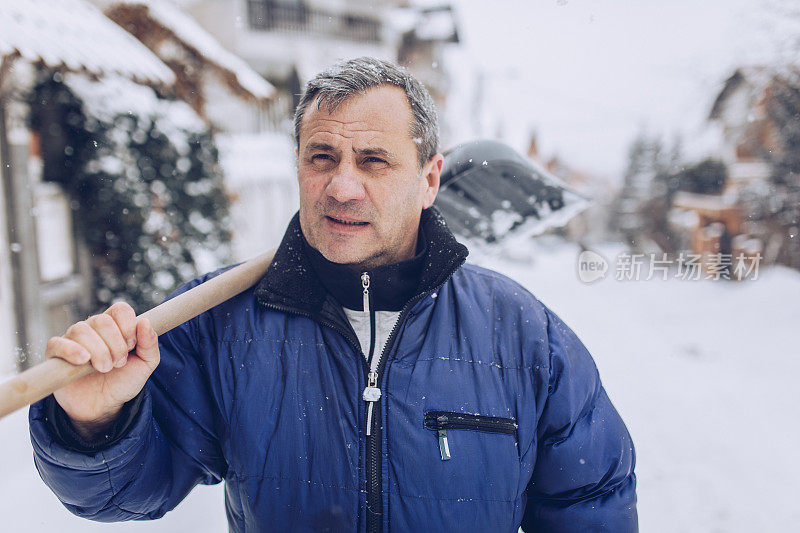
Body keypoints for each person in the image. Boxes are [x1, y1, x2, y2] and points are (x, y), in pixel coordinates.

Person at [29, 57, 637, 532]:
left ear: (429, 179)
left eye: (374, 161)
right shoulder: (217, 322)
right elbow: (122, 492)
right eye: (323, 156)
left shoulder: (525, 336)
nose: (342, 186)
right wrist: (95, 420)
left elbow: (592, 506)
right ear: (298, 163)